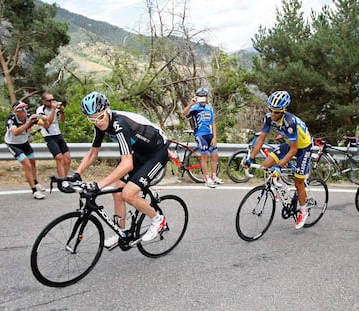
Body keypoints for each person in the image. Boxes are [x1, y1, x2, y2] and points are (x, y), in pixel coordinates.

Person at [70, 91, 169, 248]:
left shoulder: (119, 124)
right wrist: (76, 173)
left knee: (128, 194)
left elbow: (127, 164)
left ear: (107, 110)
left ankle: (158, 220)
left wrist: (99, 185)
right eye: (92, 119)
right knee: (117, 193)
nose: (98, 122)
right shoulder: (100, 125)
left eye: (100, 117)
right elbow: (93, 152)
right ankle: (120, 233)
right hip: (140, 153)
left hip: (157, 152)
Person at [243, 90, 312, 229]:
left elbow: (294, 150)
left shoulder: (290, 122)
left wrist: (279, 167)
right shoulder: (269, 118)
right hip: (290, 144)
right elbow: (261, 139)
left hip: (303, 147)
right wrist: (250, 158)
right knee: (266, 165)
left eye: (276, 112)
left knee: (299, 181)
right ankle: (282, 187)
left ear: (283, 110)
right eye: (270, 110)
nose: (272, 114)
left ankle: (303, 211)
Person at [5, 101, 48, 199]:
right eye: (22, 109)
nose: (25, 111)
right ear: (17, 112)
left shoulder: (29, 116)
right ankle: (34, 191)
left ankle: (35, 182)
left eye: (25, 108)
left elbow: (44, 124)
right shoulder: (11, 119)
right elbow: (15, 132)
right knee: (27, 165)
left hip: (24, 143)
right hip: (13, 144)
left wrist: (43, 118)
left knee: (33, 163)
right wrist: (28, 123)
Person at [182, 87, 224, 188]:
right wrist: (191, 103)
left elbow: (213, 123)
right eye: (200, 96)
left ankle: (214, 176)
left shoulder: (209, 108)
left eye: (204, 96)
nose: (202, 98)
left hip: (210, 135)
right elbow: (184, 113)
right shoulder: (195, 108)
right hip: (200, 135)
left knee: (215, 156)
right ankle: (206, 178)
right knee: (204, 157)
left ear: (207, 97)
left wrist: (215, 137)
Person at [37, 92, 72, 192]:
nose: (52, 102)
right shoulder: (39, 110)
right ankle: (63, 182)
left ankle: (64, 179)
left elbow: (62, 120)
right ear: (43, 101)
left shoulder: (55, 108)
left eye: (53, 99)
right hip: (49, 136)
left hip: (58, 134)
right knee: (59, 158)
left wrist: (62, 111)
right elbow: (47, 124)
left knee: (67, 158)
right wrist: (53, 109)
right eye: (49, 100)